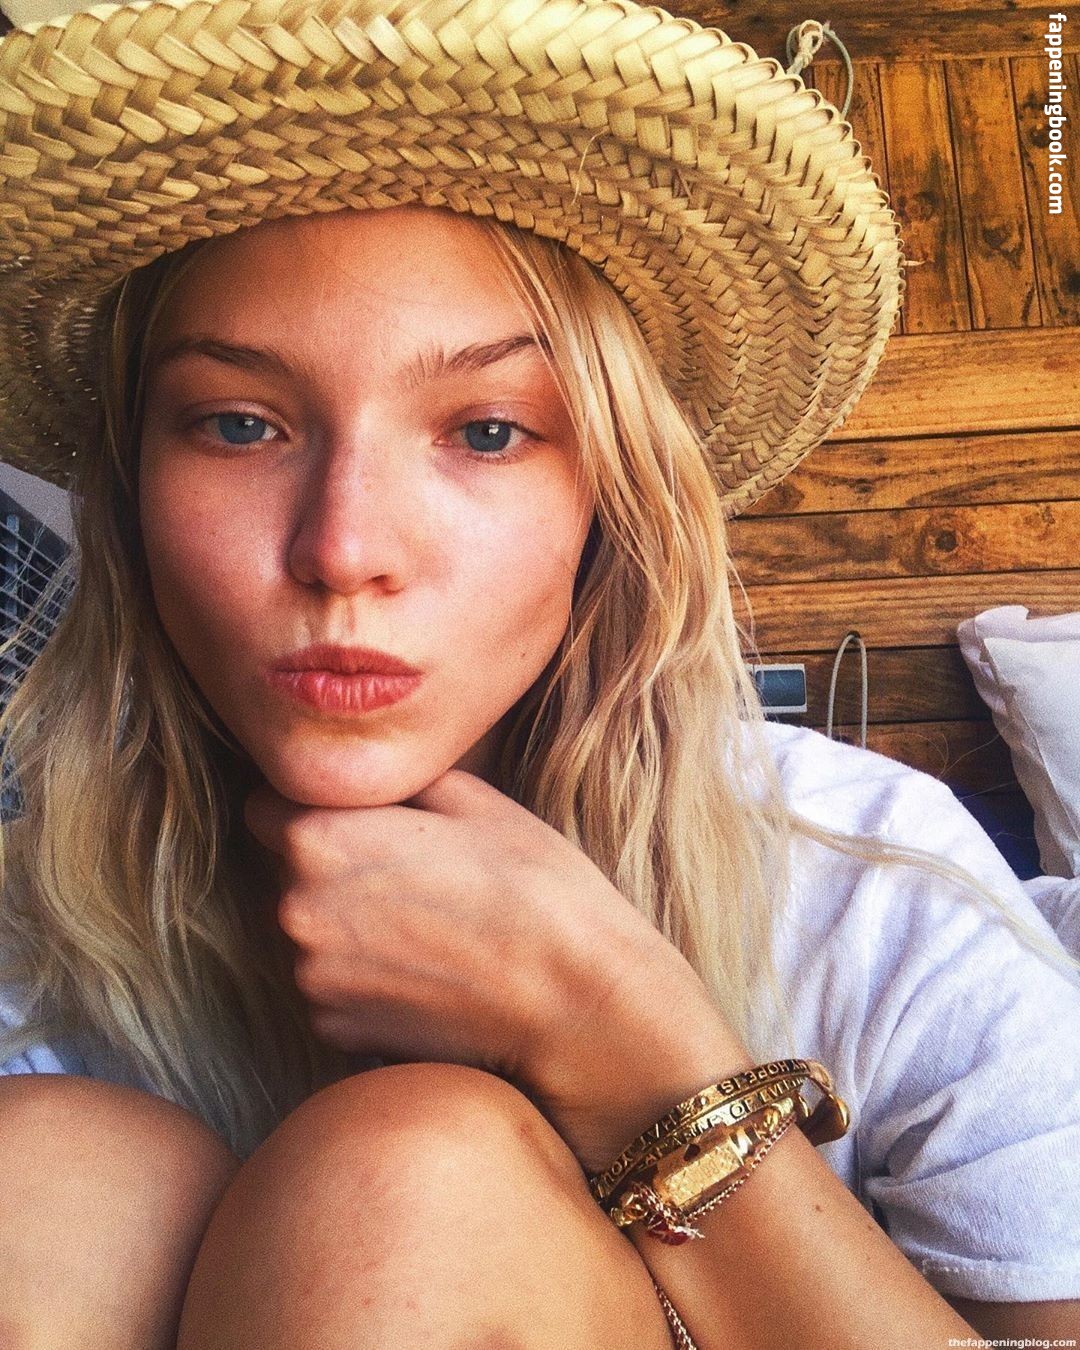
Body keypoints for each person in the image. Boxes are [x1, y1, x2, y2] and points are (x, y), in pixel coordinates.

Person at [0, 0, 1077, 1346]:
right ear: (131, 493)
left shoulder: (869, 882)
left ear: (609, 498)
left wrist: (617, 1036)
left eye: (488, 432)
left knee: (411, 1183)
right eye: (236, 423)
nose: (344, 548)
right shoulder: (43, 938)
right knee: (45, 1181)